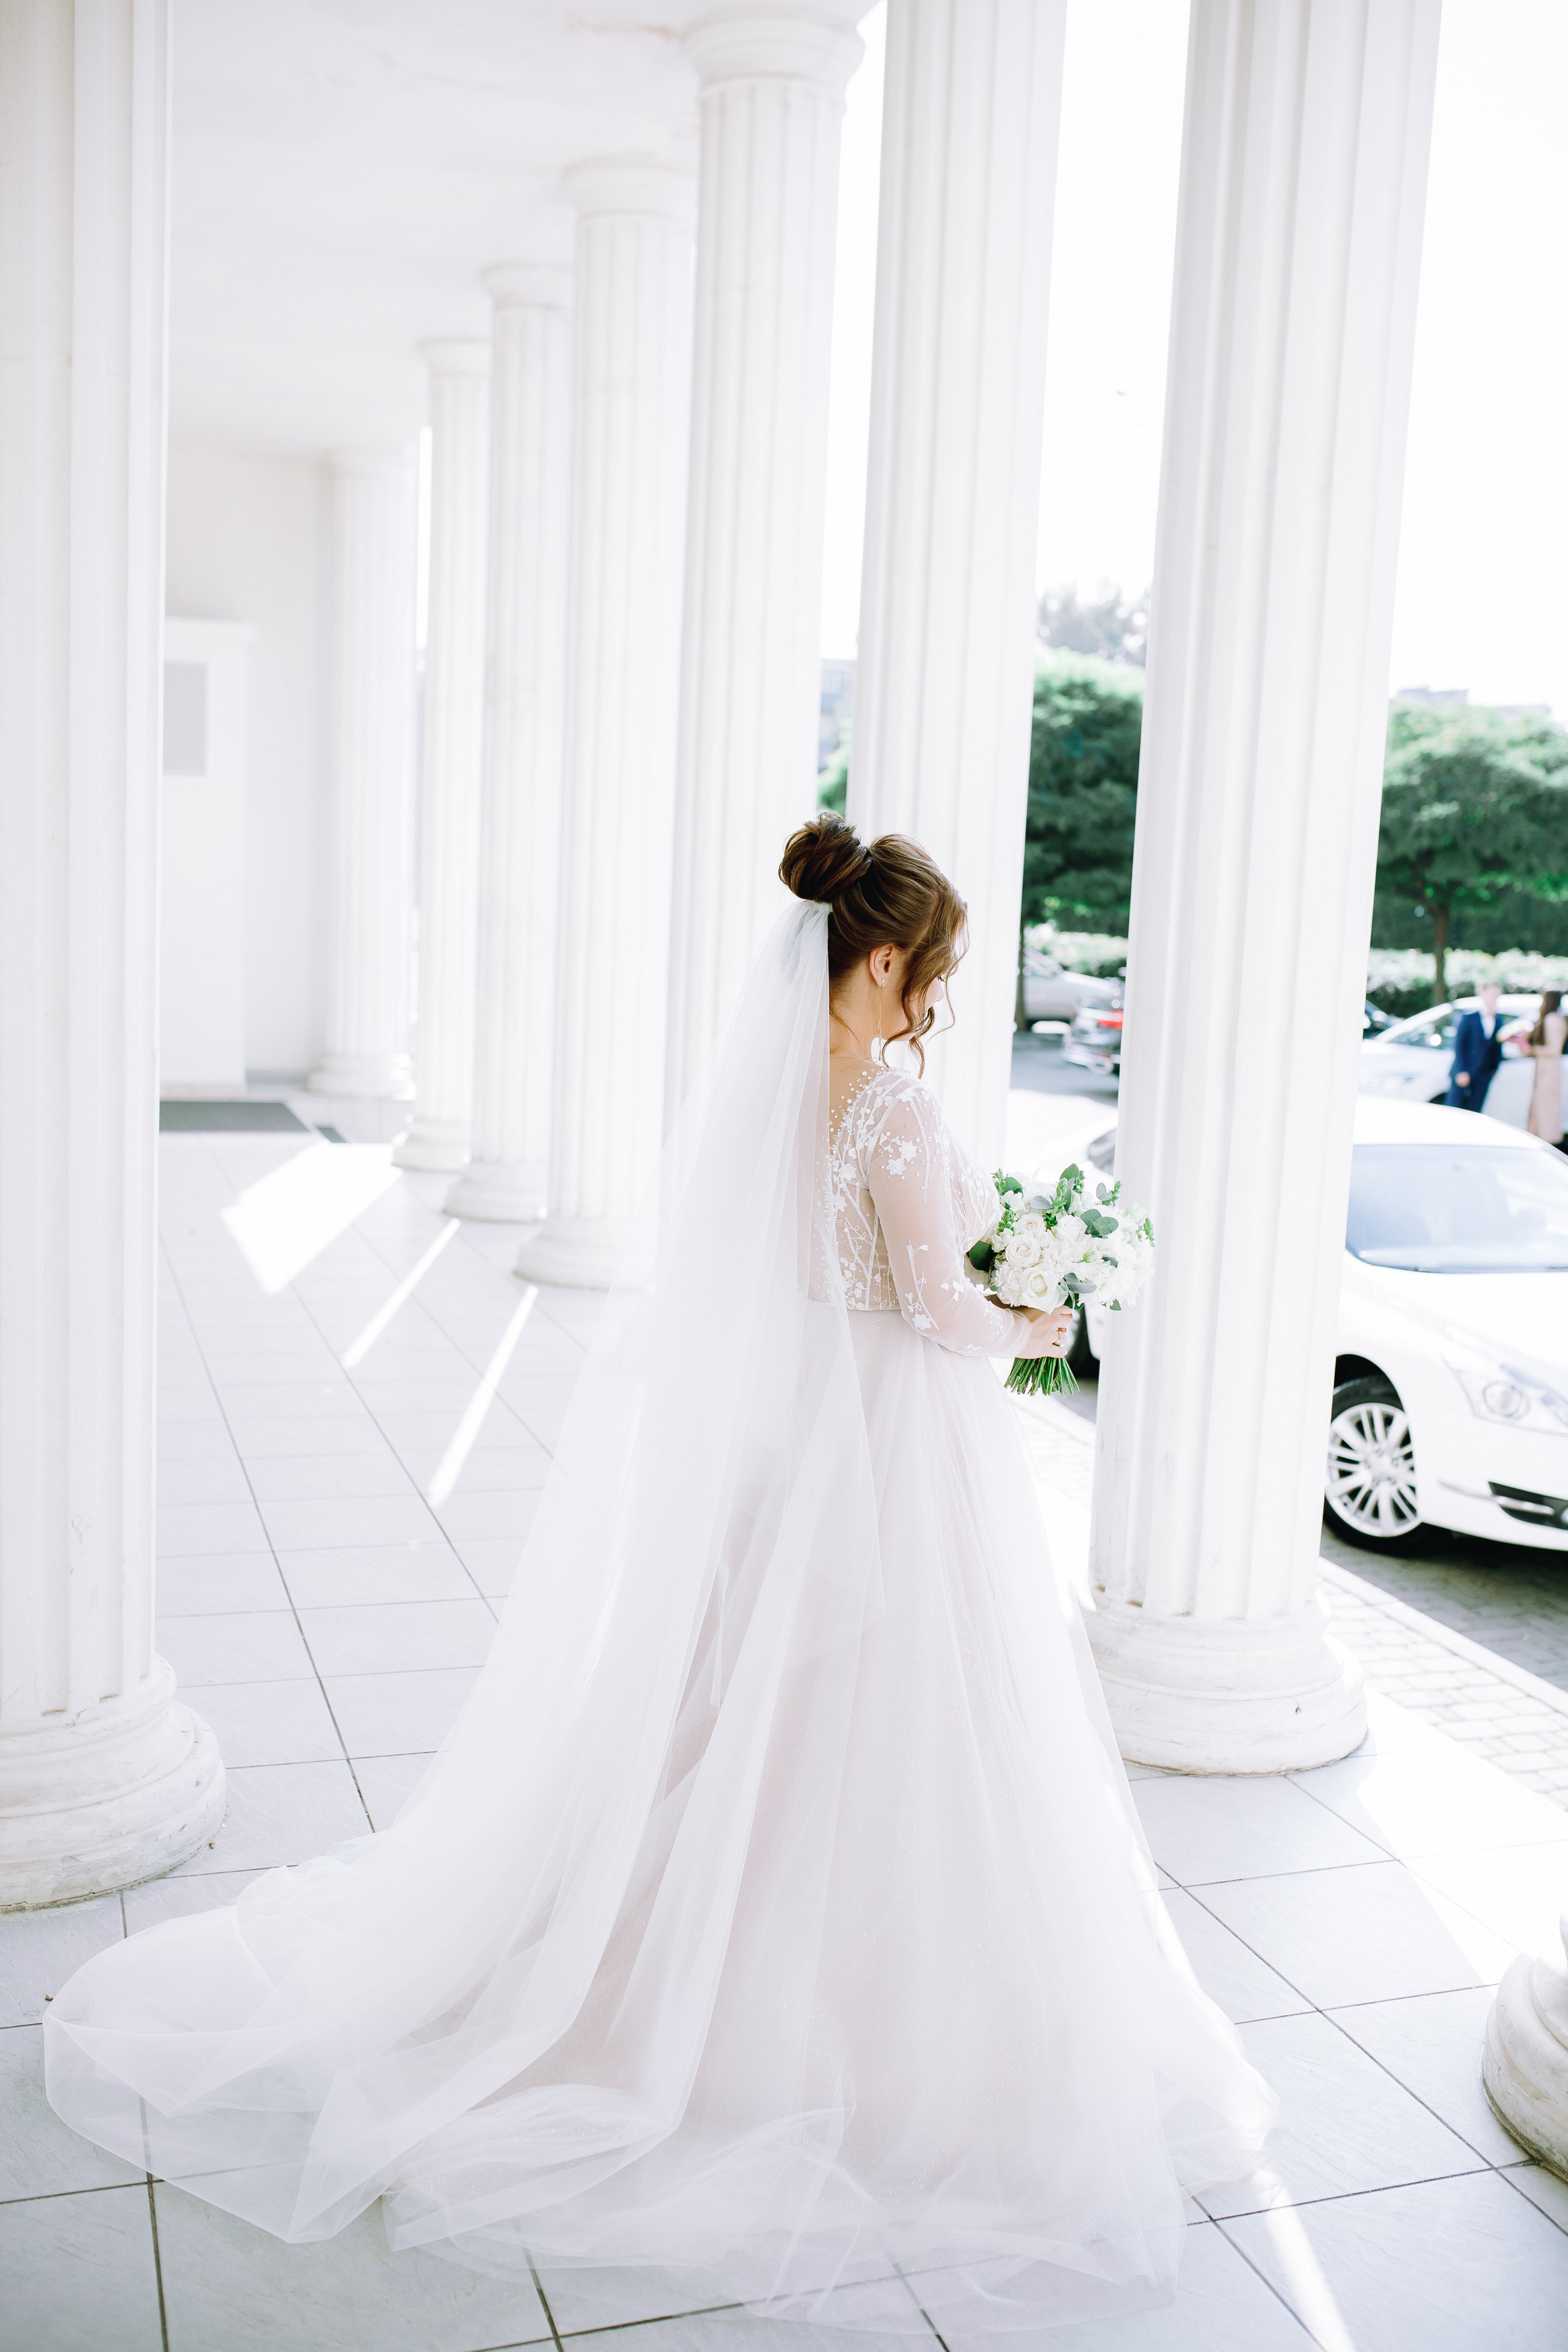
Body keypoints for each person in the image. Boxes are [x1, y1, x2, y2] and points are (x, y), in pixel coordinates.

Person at [45, 816, 1272, 2333]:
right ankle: (827, 2021)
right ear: (878, 955)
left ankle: (672, 1955)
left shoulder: (772, 1096)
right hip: (885, 1452)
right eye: (926, 971)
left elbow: (799, 1274)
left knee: (754, 1708)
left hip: (791, 1447)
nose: (926, 1001)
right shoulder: (880, 1105)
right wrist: (1039, 1316)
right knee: (898, 1723)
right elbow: (936, 1309)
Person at [1446, 979, 1506, 1112]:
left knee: (1475, 1112)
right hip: (1464, 1073)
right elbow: (1458, 1046)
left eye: (1497, 996)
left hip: (1483, 1075)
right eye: (1491, 995)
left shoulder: (1499, 1019)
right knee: (1454, 1111)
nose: (1494, 999)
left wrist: (1494, 1069)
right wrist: (1461, 1071)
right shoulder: (1469, 1017)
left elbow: (1496, 1047)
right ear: (1482, 994)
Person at [1525, 987, 1567, 1148]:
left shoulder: (1552, 1019)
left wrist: (1533, 1050)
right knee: (1539, 1109)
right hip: (1546, 1070)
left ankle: (1548, 1146)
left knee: (1547, 1110)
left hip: (1549, 1071)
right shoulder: (1554, 1018)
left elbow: (1555, 1049)